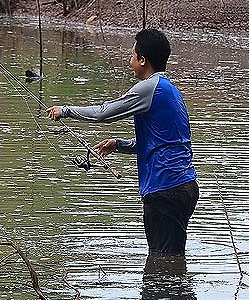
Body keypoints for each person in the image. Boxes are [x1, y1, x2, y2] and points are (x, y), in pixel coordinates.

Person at [46, 29, 198, 255]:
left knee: (162, 263)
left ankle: (162, 291)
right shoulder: (171, 91)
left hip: (164, 190)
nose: (130, 62)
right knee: (172, 256)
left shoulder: (149, 88)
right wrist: (118, 144)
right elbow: (163, 144)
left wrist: (66, 110)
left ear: (143, 60)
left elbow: (103, 113)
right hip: (184, 187)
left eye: (132, 56)